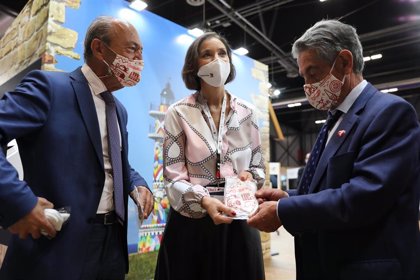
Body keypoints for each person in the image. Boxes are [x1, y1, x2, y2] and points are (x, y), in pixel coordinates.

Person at [248, 19, 420, 280]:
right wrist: (288, 196)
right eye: (304, 76)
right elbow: (328, 187)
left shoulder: (389, 113)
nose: (307, 86)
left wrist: (285, 212)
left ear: (344, 62)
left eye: (313, 73)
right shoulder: (335, 120)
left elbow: (363, 197)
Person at [0, 16, 154, 280]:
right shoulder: (49, 88)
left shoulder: (120, 111)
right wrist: (20, 203)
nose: (139, 58)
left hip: (112, 246)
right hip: (56, 246)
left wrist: (137, 184)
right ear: (99, 48)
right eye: (132, 49)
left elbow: (115, 161)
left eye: (141, 51)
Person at [154, 32, 266, 280]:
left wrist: (249, 176)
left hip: (238, 219)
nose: (217, 59)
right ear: (194, 66)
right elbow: (173, 177)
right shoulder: (178, 112)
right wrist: (204, 200)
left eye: (222, 53)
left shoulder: (248, 113)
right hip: (192, 222)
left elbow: (258, 168)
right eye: (207, 54)